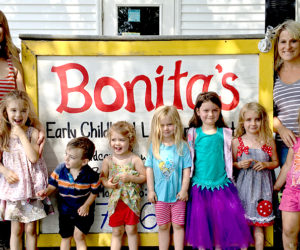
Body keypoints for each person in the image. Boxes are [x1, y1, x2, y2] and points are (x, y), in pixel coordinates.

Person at [185, 91, 253, 250]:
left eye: (215, 110)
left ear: (220, 111)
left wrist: (238, 166)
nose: (210, 114)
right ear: (198, 111)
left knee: (221, 226)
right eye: (206, 110)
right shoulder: (193, 133)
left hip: (221, 185)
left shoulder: (226, 133)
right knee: (201, 227)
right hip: (199, 186)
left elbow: (230, 159)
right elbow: (188, 160)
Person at [0, 90, 50, 250]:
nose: (18, 114)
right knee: (16, 229)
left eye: (23, 110)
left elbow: (33, 158)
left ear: (28, 112)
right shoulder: (3, 134)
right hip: (14, 189)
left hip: (32, 188)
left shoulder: (32, 132)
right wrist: (4, 171)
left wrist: (22, 134)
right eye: (13, 110)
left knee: (30, 229)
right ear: (5, 112)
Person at [37, 137, 101, 250]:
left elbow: (94, 192)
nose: (66, 159)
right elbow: (53, 185)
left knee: (79, 236)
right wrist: (45, 192)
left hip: (83, 211)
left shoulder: (91, 175)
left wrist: (86, 206)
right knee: (66, 236)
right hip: (65, 210)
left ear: (84, 161)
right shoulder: (60, 169)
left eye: (71, 157)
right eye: (66, 154)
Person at [232, 102, 279, 250]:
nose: (253, 123)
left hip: (262, 189)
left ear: (262, 120)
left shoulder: (268, 141)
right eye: (249, 120)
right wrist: (239, 165)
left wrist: (266, 165)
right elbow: (231, 164)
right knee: (243, 226)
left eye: (257, 119)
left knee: (259, 226)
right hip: (243, 188)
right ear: (242, 122)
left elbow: (276, 162)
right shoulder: (236, 142)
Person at [145, 106, 191, 250]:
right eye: (162, 125)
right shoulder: (154, 146)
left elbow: (186, 170)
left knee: (178, 225)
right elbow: (149, 170)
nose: (166, 128)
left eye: (169, 124)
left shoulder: (182, 146)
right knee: (163, 226)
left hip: (178, 196)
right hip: (160, 196)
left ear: (176, 124)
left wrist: (184, 190)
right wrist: (151, 190)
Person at [101, 121, 146, 250]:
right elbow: (102, 177)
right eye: (113, 139)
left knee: (131, 229)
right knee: (116, 231)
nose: (117, 143)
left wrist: (131, 177)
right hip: (115, 202)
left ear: (130, 141)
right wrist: (107, 184)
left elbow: (144, 177)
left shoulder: (134, 159)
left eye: (121, 140)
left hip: (131, 202)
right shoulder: (108, 160)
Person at [273, 20, 300, 167]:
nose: (287, 47)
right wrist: (281, 129)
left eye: (293, 41)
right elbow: (267, 112)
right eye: (283, 42)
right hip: (285, 146)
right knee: (288, 189)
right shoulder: (272, 75)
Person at [274, 108, 300, 250]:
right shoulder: (295, 143)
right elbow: (287, 166)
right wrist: (276, 186)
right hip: (292, 193)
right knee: (289, 231)